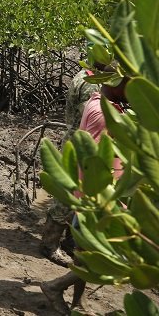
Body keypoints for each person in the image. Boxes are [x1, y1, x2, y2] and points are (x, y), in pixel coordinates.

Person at [41, 74, 129, 315]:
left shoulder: (99, 101)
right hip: (97, 200)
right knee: (101, 259)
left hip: (91, 198)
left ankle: (77, 302)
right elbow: (93, 162)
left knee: (83, 257)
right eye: (129, 83)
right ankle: (54, 286)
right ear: (116, 82)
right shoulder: (104, 114)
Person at [41, 66, 101, 267]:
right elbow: (90, 116)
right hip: (79, 144)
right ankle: (49, 244)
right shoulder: (89, 82)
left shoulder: (88, 76)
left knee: (80, 197)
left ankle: (69, 240)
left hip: (80, 141)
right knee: (66, 198)